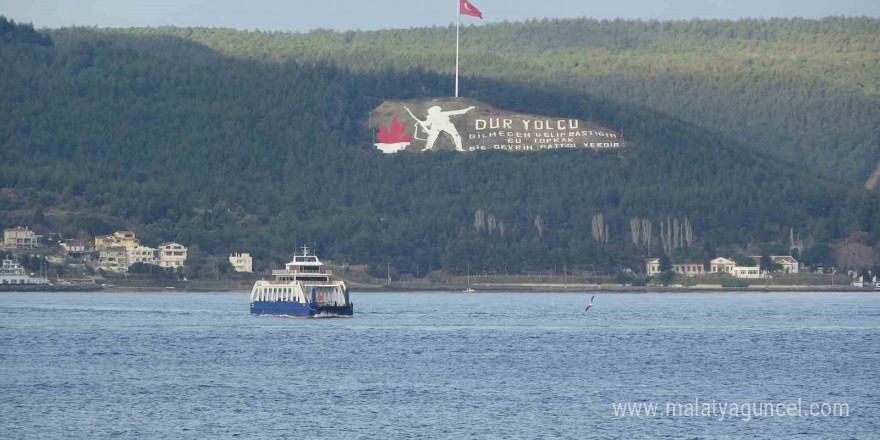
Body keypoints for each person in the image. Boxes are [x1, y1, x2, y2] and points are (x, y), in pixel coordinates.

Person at [407, 105, 475, 151]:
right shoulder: (430, 116)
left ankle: (459, 148)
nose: (436, 111)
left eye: (436, 110)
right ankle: (428, 148)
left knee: (456, 136)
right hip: (436, 126)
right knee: (431, 137)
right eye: (434, 110)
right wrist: (420, 122)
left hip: (447, 125)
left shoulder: (443, 113)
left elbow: (460, 111)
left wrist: (469, 108)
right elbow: (426, 123)